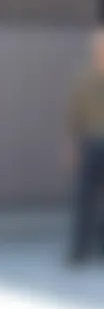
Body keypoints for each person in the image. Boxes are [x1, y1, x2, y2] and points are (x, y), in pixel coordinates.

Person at [67, 28, 104, 264]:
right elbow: (73, 115)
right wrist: (70, 148)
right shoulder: (83, 78)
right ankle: (80, 250)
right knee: (84, 199)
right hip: (90, 144)